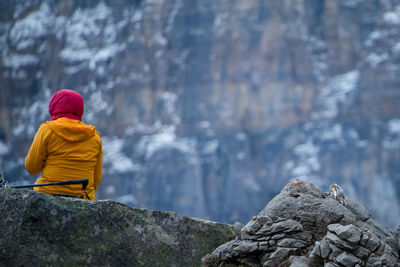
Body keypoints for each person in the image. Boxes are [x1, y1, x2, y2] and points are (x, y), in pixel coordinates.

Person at [25, 89, 102, 200]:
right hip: (83, 200)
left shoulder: (47, 130)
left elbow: (32, 168)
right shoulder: (94, 137)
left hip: (47, 197)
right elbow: (95, 181)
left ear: (54, 108)